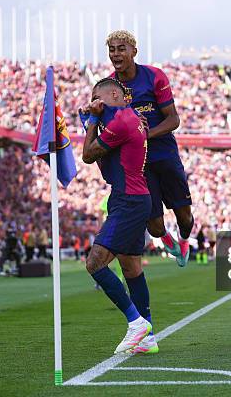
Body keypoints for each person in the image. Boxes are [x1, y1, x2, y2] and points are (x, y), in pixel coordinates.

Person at [80, 77, 157, 355]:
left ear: (114, 93)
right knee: (131, 268)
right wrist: (97, 117)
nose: (95, 103)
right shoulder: (132, 117)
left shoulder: (123, 120)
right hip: (133, 198)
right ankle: (148, 337)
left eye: (97, 97)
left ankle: (136, 323)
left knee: (95, 263)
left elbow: (88, 154)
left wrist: (91, 119)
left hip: (128, 200)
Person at [106, 30, 194, 267]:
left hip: (165, 155)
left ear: (134, 51)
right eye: (112, 49)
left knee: (185, 218)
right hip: (137, 165)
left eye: (121, 48)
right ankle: (167, 240)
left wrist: (144, 134)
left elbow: (173, 120)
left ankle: (184, 240)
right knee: (154, 227)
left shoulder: (155, 76)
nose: (116, 53)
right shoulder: (109, 87)